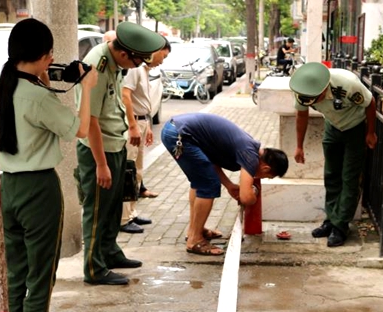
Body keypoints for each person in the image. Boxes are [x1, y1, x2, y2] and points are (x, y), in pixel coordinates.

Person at [0, 18, 98, 312]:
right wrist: (86, 88)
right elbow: (80, 129)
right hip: (38, 190)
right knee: (40, 278)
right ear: (42, 55)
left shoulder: (3, 86)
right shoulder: (38, 97)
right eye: (50, 54)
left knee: (16, 276)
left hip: (7, 187)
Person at [75, 22, 165, 285]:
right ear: (124, 53)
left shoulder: (114, 62)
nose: (136, 67)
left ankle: (110, 253)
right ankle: (94, 269)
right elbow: (91, 120)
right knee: (97, 211)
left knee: (113, 207)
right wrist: (101, 165)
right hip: (98, 150)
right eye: (136, 62)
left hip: (115, 144)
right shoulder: (98, 66)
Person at [161, 113, 289, 255]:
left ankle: (195, 229)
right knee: (208, 184)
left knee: (200, 181)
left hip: (177, 130)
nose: (262, 178)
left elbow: (211, 161)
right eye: (267, 177)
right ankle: (195, 240)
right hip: (180, 134)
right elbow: (246, 198)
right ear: (266, 168)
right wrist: (253, 192)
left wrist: (229, 185)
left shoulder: (249, 149)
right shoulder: (250, 155)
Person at [289, 62, 377, 247]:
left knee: (349, 178)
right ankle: (330, 220)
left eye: (316, 99)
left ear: (324, 90)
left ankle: (341, 225)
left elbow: (370, 103)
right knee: (331, 176)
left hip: (355, 128)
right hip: (332, 127)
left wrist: (370, 132)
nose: (314, 104)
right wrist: (299, 146)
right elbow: (301, 115)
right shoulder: (303, 90)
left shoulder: (347, 84)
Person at [119, 40, 171, 234]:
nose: (162, 61)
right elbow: (125, 95)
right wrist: (133, 125)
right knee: (129, 171)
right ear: (155, 51)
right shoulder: (135, 68)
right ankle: (123, 218)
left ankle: (131, 212)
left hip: (141, 121)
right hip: (133, 124)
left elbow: (142, 101)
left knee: (137, 171)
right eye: (163, 56)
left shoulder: (144, 69)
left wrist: (147, 124)